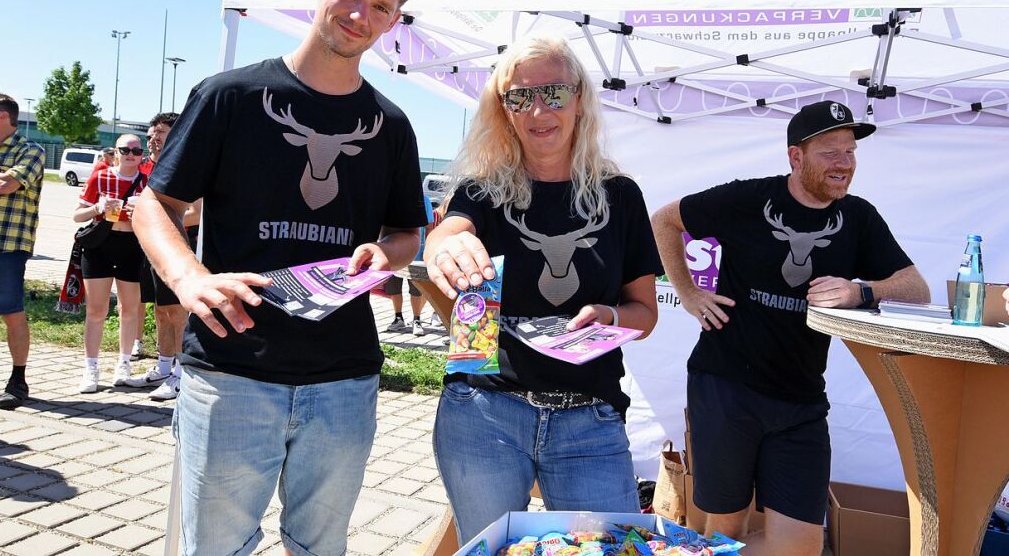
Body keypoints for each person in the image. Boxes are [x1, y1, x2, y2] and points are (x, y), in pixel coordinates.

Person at [133, 0, 422, 556]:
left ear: (394, 19)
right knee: (215, 547)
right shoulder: (230, 96)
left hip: (344, 379)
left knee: (320, 548)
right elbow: (154, 203)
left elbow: (406, 231)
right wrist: (190, 278)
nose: (359, 15)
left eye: (380, 7)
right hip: (233, 369)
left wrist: (386, 255)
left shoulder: (391, 126)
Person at [651, 100, 930, 556]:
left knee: (801, 547)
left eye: (850, 152)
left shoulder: (858, 217)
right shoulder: (748, 198)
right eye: (830, 152)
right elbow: (665, 220)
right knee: (725, 529)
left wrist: (861, 291)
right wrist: (689, 293)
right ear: (795, 157)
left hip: (801, 402)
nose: (844, 163)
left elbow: (916, 288)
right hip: (726, 387)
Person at [424, 34, 662, 545]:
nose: (538, 109)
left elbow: (645, 312)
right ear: (503, 109)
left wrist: (612, 317)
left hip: (589, 417)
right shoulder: (482, 189)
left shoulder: (619, 197)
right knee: (486, 548)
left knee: (611, 548)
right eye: (519, 97)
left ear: (579, 100)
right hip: (484, 409)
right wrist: (443, 242)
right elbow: (451, 232)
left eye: (553, 93)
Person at [124, 112, 196, 401]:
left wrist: (152, 219)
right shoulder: (155, 168)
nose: (152, 139)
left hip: (178, 247)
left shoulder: (188, 165)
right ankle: (164, 366)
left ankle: (181, 375)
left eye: (160, 133)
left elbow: (197, 211)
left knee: (177, 313)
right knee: (161, 309)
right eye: (151, 133)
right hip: (155, 247)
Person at [72, 134, 148, 393]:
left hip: (131, 248)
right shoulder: (100, 176)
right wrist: (98, 207)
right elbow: (77, 215)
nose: (130, 154)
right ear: (116, 152)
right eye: (125, 149)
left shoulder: (148, 182)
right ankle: (90, 369)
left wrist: (140, 213)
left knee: (130, 310)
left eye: (136, 150)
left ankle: (123, 365)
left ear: (142, 154)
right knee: (96, 310)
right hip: (100, 247)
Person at [0, 94, 45, 410]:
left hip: (6, 245)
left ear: (2, 116)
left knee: (10, 312)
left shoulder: (30, 151)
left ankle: (17, 379)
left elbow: (6, 186)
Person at [384, 193, 437, 336]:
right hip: (392, 250)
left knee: (416, 288)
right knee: (394, 286)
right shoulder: (390, 196)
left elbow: (429, 227)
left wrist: (429, 250)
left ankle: (417, 319)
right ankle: (398, 317)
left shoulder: (423, 199)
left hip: (417, 252)